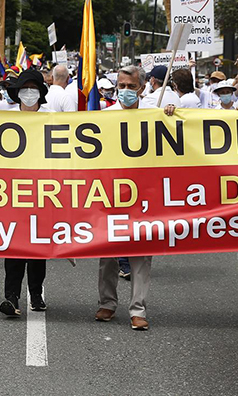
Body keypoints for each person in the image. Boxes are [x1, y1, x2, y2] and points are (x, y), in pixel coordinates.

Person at [96, 65, 153, 331]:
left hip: (144, 194)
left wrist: (172, 117)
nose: (126, 91)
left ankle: (138, 309)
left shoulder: (153, 114)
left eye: (131, 86)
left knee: (141, 253)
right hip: (110, 193)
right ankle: (107, 303)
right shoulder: (103, 117)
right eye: (122, 86)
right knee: (107, 252)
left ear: (141, 88)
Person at [0, 67, 52, 317]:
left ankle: (36, 293)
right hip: (10, 191)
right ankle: (11, 297)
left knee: (37, 248)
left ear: (40, 93)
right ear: (17, 93)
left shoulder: (53, 118)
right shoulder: (2, 117)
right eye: (25, 89)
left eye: (33, 89)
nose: (29, 93)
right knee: (14, 246)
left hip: (44, 191)